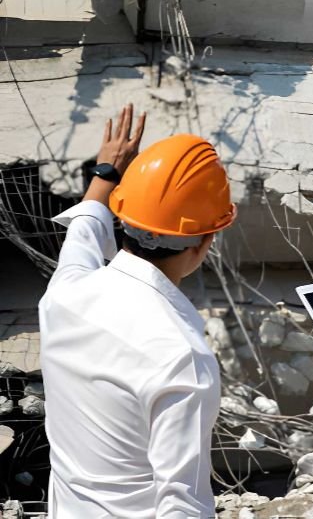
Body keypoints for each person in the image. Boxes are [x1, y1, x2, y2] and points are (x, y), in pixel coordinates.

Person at [39, 104, 236, 518]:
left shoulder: (65, 294)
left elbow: (85, 228)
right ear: (204, 242)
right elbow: (182, 504)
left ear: (123, 218)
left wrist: (106, 171)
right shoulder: (181, 357)